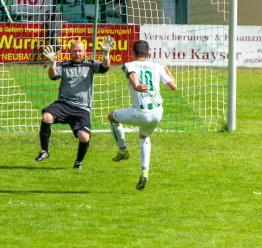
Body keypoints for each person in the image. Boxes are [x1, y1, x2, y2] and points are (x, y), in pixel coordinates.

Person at [35, 37, 115, 169]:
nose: (77, 54)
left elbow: (104, 68)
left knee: (84, 137)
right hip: (64, 104)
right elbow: (52, 76)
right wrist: (52, 64)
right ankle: (45, 151)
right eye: (74, 51)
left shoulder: (90, 64)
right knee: (46, 117)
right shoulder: (65, 65)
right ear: (70, 52)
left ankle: (78, 162)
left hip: (82, 108)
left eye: (80, 51)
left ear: (84, 52)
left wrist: (106, 55)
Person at [108, 40, 177, 190]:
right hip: (157, 113)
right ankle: (144, 171)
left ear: (133, 53)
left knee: (112, 117)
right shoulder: (158, 66)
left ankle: (122, 150)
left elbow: (132, 74)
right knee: (144, 137)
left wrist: (136, 85)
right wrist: (169, 73)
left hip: (141, 112)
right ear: (148, 54)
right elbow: (173, 87)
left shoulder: (129, 65)